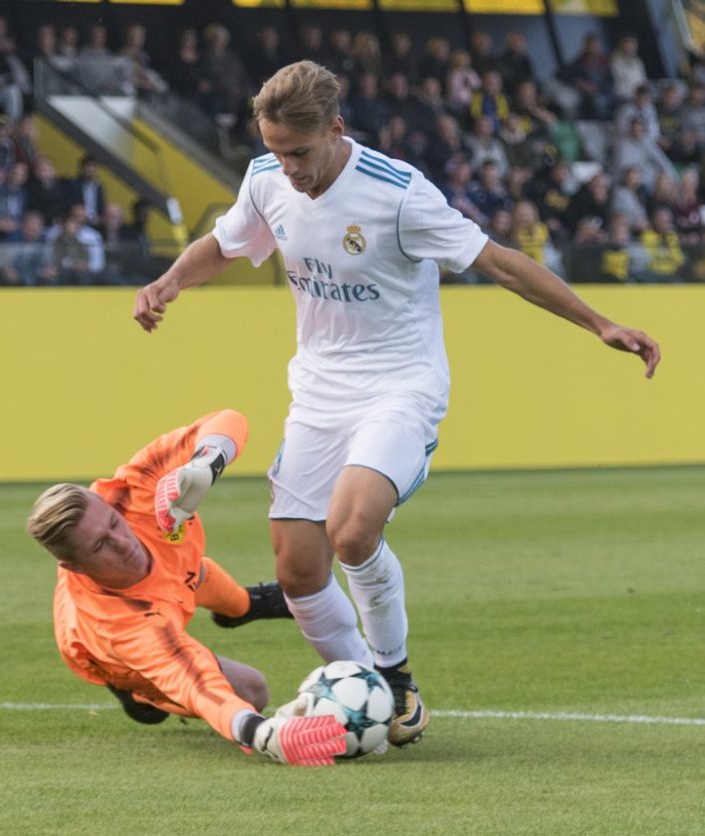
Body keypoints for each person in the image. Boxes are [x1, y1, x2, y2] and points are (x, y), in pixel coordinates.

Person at [133, 61, 661, 749]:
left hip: (400, 386)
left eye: (299, 151)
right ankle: (362, 690)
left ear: (335, 129)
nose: (287, 167)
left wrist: (600, 324)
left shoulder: (399, 193)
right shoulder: (267, 179)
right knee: (298, 568)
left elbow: (500, 262)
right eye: (275, 150)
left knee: (351, 531)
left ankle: (396, 678)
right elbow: (228, 243)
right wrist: (170, 282)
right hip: (320, 393)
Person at [26, 409, 346, 766]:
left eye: (114, 523)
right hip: (105, 654)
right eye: (100, 546)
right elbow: (197, 684)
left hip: (172, 581)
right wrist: (261, 732)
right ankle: (141, 697)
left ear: (107, 503)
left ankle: (245, 606)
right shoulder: (123, 628)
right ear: (75, 567)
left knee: (187, 571)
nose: (123, 541)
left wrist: (206, 463)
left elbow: (227, 419)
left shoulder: (134, 491)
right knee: (252, 690)